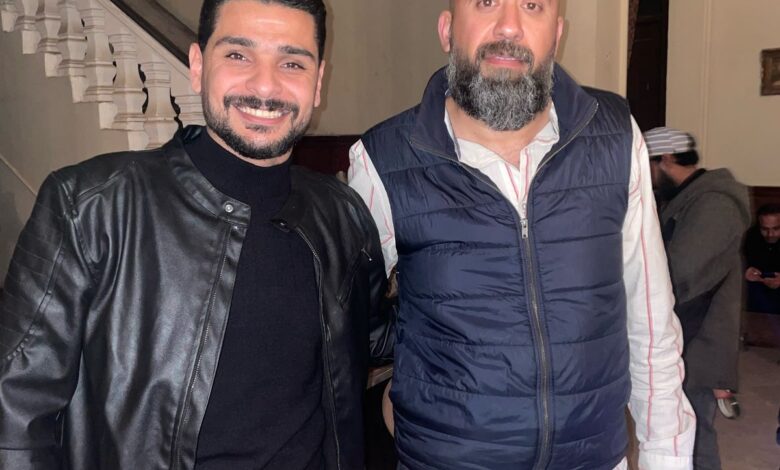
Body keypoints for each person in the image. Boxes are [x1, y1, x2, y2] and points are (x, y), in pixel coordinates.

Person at [0, 1, 392, 469]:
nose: (265, 86)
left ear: (318, 81)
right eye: (238, 55)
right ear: (198, 66)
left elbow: (375, 335)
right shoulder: (90, 206)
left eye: (292, 63)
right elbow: (16, 415)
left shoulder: (342, 215)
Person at [348, 1, 694, 469]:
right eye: (486, 2)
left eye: (532, 5)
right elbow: (347, 323)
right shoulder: (383, 160)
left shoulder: (614, 137)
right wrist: (415, 367)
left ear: (557, 33)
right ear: (447, 30)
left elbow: (649, 320)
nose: (509, 26)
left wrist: (666, 456)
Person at [644, 126, 750, 470]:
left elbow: (680, 270)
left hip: (700, 339)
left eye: (647, 165)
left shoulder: (714, 203)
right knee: (678, 430)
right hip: (684, 334)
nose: (646, 175)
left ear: (666, 159)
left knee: (695, 433)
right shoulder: (689, 198)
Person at [744, 204, 780, 313]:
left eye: (776, 228)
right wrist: (746, 271)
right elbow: (739, 262)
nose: (770, 234)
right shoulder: (750, 236)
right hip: (756, 287)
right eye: (764, 229)